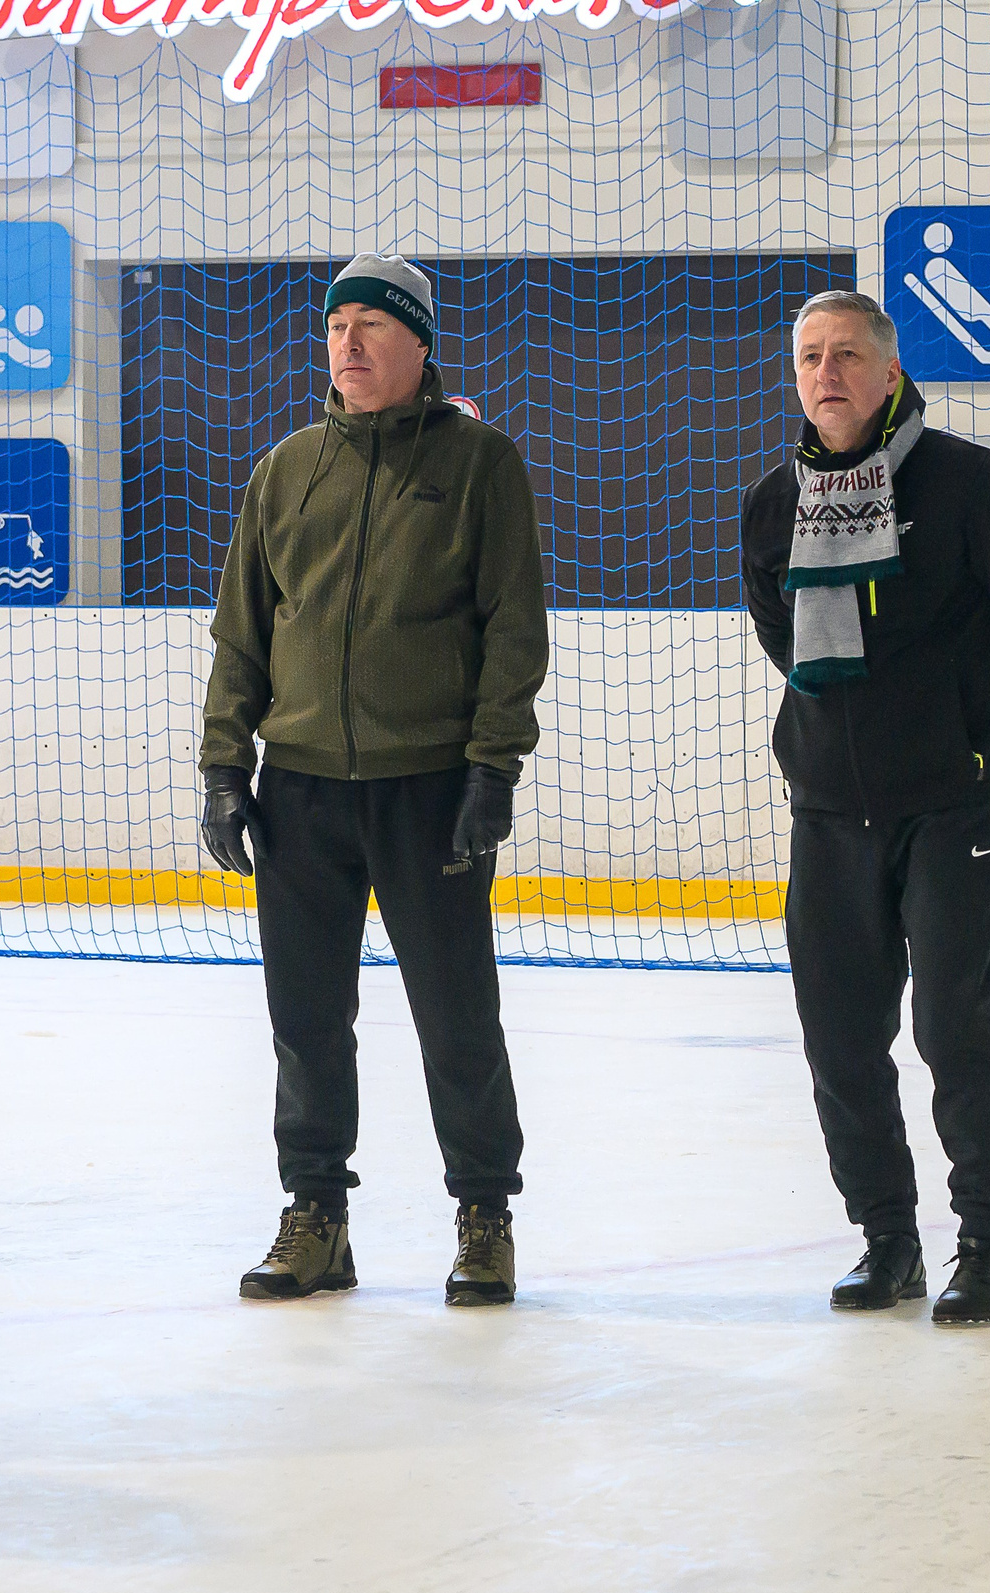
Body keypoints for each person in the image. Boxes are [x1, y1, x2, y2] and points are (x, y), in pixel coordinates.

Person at [201, 255, 549, 1309]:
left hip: (428, 788)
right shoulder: (286, 468)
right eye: (336, 326)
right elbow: (242, 636)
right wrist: (225, 766)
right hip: (301, 790)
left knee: (456, 1017)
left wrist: (492, 766)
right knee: (304, 1020)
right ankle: (316, 1217)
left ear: (419, 345)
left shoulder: (481, 463)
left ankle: (483, 1217)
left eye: (371, 328)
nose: (347, 345)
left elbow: (511, 629)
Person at [740, 290, 990, 1326]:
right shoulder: (772, 503)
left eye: (846, 354)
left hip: (951, 805)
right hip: (829, 809)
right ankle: (886, 1242)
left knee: (953, 1025)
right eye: (809, 357)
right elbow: (779, 630)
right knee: (839, 1037)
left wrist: (971, 729)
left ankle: (988, 1246)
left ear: (889, 373)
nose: (826, 373)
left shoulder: (969, 485)